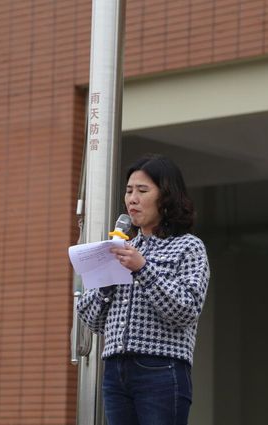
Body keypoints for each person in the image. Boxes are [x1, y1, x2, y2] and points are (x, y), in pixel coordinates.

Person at [76, 154, 210, 425]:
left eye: (142, 190)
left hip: (161, 368)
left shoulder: (188, 247)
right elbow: (92, 320)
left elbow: (186, 310)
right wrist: (105, 286)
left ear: (166, 197)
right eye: (129, 191)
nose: (132, 199)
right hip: (115, 370)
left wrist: (143, 269)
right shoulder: (119, 248)